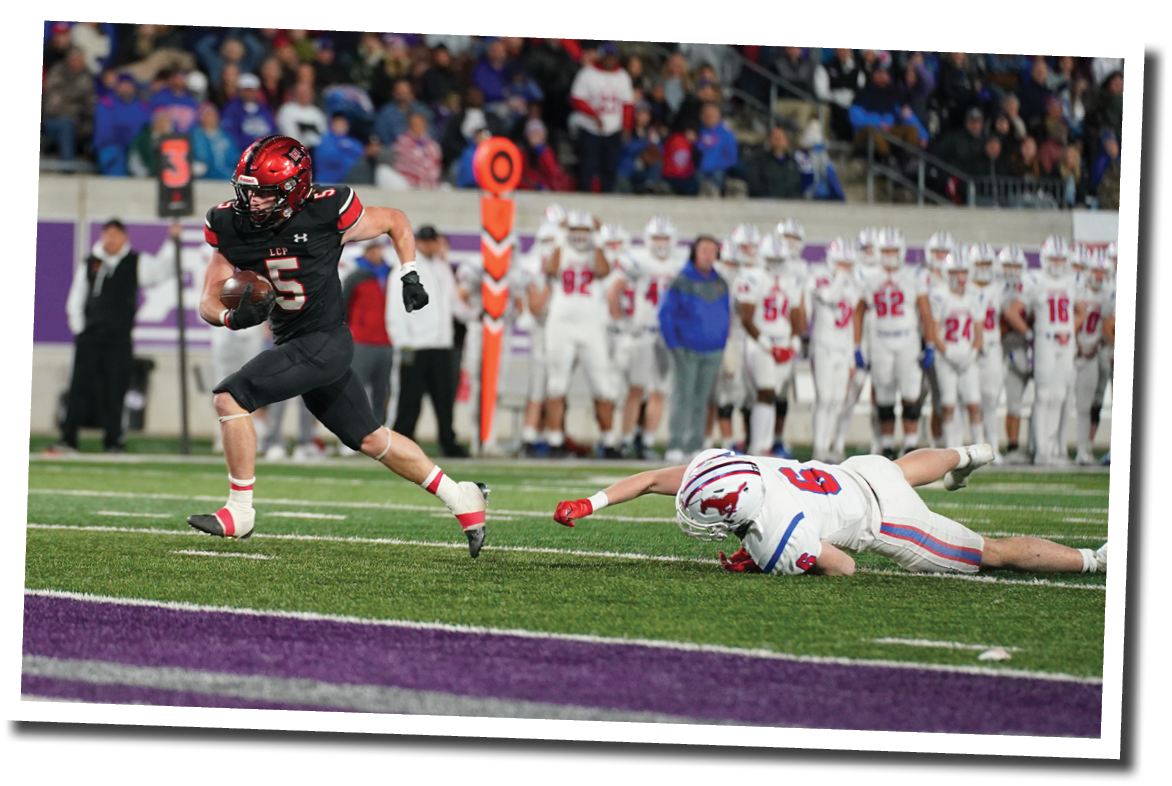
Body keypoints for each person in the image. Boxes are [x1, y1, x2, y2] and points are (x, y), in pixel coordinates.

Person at [188, 135, 489, 557]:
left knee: (229, 399)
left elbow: (396, 220)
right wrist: (229, 316)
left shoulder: (326, 209)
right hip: (299, 343)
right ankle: (463, 498)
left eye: (264, 193)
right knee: (371, 439)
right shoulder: (230, 224)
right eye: (248, 191)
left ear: (293, 191)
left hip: (325, 341)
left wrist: (409, 274)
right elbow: (208, 297)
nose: (251, 202)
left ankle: (240, 511)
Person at [551, 445, 1109, 579]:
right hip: (857, 470)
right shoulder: (746, 469)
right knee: (901, 465)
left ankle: (1097, 559)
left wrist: (774, 559)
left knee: (991, 552)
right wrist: (593, 502)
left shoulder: (771, 531)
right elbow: (652, 479)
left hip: (888, 519)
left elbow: (845, 566)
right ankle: (967, 454)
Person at [46, 220, 181, 454]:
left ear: (124, 238)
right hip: (90, 337)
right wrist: (79, 328)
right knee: (78, 388)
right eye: (107, 234)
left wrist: (173, 241)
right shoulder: (90, 263)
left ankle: (114, 441)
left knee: (115, 390)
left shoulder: (135, 262)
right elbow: (77, 296)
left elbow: (164, 270)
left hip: (119, 338)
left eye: (116, 235)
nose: (111, 239)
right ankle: (68, 440)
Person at [387, 225, 476, 458]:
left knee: (444, 398)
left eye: (432, 241)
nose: (429, 245)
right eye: (425, 241)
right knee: (409, 398)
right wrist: (402, 341)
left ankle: (448, 441)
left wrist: (475, 314)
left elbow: (453, 302)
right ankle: (402, 442)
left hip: (441, 345)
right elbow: (394, 308)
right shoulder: (405, 268)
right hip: (415, 344)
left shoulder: (442, 268)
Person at [541, 210, 618, 457]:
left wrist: (596, 240)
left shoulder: (597, 251)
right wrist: (562, 238)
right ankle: (554, 440)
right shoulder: (560, 249)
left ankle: (609, 441)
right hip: (561, 323)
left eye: (585, 231)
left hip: (591, 324)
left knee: (602, 385)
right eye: (576, 231)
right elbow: (551, 269)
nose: (580, 236)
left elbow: (603, 270)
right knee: (556, 383)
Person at [853, 226, 935, 459]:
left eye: (893, 250)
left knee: (911, 395)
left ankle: (910, 444)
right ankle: (887, 445)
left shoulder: (913, 275)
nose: (889, 254)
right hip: (881, 342)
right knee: (885, 396)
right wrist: (856, 347)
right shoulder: (869, 278)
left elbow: (925, 312)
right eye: (885, 250)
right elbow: (858, 313)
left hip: (907, 340)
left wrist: (929, 344)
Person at [608, 216, 684, 460]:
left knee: (659, 391)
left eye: (665, 238)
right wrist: (621, 323)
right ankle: (626, 440)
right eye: (657, 237)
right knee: (635, 389)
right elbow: (613, 291)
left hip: (667, 334)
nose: (661, 243)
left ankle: (647, 440)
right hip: (642, 332)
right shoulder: (638, 260)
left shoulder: (680, 263)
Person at [1003, 236, 1084, 466]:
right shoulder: (1035, 279)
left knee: (1059, 396)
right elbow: (1012, 311)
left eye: (1060, 258)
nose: (1057, 263)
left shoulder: (1071, 281)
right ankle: (1041, 452)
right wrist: (1030, 333)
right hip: (1045, 342)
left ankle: (1051, 450)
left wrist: (1068, 331)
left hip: (1064, 343)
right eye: (1053, 258)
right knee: (1044, 395)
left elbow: (1081, 311)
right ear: (1045, 258)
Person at [659, 235, 730, 463]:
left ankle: (695, 444)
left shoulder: (721, 282)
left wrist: (721, 342)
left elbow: (725, 315)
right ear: (694, 253)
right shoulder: (683, 280)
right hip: (687, 347)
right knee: (683, 396)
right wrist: (673, 343)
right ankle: (676, 443)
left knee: (702, 400)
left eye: (712, 251)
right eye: (704, 251)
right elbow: (666, 313)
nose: (708, 255)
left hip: (713, 350)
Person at [735, 232, 805, 458]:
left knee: (772, 394)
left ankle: (764, 445)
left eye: (779, 260)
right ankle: (757, 447)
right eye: (771, 259)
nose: (775, 264)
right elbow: (746, 317)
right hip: (759, 342)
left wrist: (794, 341)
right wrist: (768, 345)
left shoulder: (791, 280)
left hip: (782, 342)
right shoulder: (751, 277)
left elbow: (796, 313)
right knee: (764, 391)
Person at [804, 237, 860, 463]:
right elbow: (829, 297)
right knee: (824, 398)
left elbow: (848, 324)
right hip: (823, 345)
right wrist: (840, 277)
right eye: (841, 262)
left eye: (848, 263)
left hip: (841, 348)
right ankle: (818, 448)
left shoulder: (853, 284)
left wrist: (850, 358)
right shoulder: (820, 276)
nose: (845, 267)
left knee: (837, 400)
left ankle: (827, 448)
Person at [927, 252, 985, 448]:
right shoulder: (939, 295)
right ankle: (951, 449)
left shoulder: (974, 295)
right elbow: (934, 331)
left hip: (967, 355)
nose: (959, 276)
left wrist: (973, 353)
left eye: (963, 271)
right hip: (946, 357)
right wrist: (948, 353)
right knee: (948, 406)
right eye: (955, 271)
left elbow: (979, 331)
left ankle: (980, 448)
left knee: (974, 405)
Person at [569, 42, 634, 193]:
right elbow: (577, 99)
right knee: (587, 166)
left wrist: (627, 126)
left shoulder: (622, 76)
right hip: (590, 129)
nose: (610, 60)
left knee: (610, 167)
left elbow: (628, 104)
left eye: (613, 57)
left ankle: (607, 199)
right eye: (607, 57)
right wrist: (593, 116)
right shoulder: (588, 73)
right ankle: (584, 197)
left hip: (613, 129)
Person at [343, 241, 395, 426]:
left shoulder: (392, 274)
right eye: (371, 248)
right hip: (362, 341)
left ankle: (379, 430)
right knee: (356, 389)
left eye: (378, 248)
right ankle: (352, 431)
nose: (375, 252)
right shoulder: (355, 277)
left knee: (383, 391)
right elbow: (344, 308)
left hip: (387, 341)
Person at [1073, 250, 1113, 465]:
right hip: (1071, 352)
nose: (1099, 275)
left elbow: (1105, 325)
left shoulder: (1106, 295)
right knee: (1055, 401)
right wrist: (1075, 344)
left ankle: (1083, 450)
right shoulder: (1076, 289)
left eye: (1102, 271)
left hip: (1090, 354)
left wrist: (1095, 343)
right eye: (1096, 270)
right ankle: (1046, 449)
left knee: (1085, 406)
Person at [94, 73, 149, 176]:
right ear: (116, 87)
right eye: (122, 86)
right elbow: (104, 131)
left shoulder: (143, 105)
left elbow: (146, 129)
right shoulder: (107, 103)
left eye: (128, 86)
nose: (125, 89)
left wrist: (135, 146)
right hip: (112, 148)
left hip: (136, 149)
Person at [745, 126, 802, 199]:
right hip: (766, 203)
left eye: (781, 138)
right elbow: (754, 184)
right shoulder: (759, 161)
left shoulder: (792, 163)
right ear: (769, 140)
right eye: (775, 137)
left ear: (786, 141)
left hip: (789, 204)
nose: (778, 140)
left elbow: (796, 184)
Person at [191, 102, 241, 180]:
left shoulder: (226, 135)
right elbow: (202, 157)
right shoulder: (197, 135)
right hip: (205, 176)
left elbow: (234, 157)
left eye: (214, 114)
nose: (212, 117)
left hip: (227, 173)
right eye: (208, 114)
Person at [276, 81, 327, 151]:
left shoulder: (317, 113)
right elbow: (289, 135)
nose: (304, 95)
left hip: (315, 151)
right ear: (295, 93)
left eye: (307, 92)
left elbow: (323, 135)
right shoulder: (286, 110)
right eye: (301, 92)